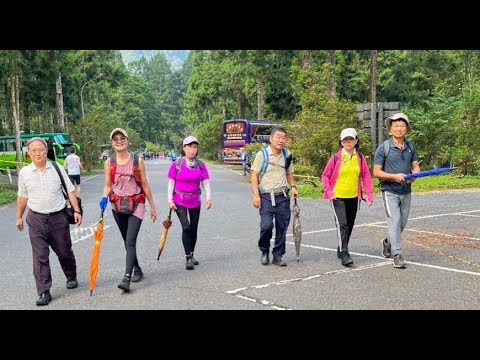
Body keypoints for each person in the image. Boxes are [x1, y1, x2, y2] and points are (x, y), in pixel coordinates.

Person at [16, 137, 82, 306]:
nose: (38, 153)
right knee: (40, 256)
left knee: (64, 251)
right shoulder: (24, 173)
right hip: (36, 218)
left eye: (41, 149)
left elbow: (70, 190)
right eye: (34, 150)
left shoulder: (57, 167)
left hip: (58, 217)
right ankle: (44, 291)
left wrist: (76, 210)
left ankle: (71, 275)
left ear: (46, 151)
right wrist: (19, 216)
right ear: (28, 154)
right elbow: (22, 196)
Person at [99, 128, 158, 293]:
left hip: (136, 203)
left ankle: (126, 277)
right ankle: (137, 268)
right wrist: (104, 198)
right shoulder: (109, 162)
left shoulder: (137, 160)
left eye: (122, 138)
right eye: (115, 139)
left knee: (130, 240)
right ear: (112, 143)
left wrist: (152, 206)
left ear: (127, 140)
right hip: (117, 205)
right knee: (127, 240)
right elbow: (107, 184)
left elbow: (145, 184)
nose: (119, 141)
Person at [373, 112, 420, 269]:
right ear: (390, 129)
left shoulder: (411, 146)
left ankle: (388, 242)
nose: (399, 129)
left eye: (402, 126)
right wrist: (394, 176)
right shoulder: (383, 148)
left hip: (406, 190)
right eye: (396, 126)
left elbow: (415, 166)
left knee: (401, 223)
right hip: (389, 191)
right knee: (394, 221)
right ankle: (397, 254)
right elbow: (377, 172)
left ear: (406, 129)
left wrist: (414, 176)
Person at [321, 128, 374, 266]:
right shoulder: (336, 158)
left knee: (349, 225)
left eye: (351, 139)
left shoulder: (360, 158)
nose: (348, 142)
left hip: (353, 197)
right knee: (342, 224)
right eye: (345, 139)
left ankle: (341, 248)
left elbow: (366, 176)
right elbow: (325, 176)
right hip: (337, 196)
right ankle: (344, 252)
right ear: (341, 142)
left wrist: (369, 193)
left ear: (356, 141)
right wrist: (329, 192)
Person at [250, 126, 298, 266]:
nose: (281, 140)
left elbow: (289, 173)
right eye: (278, 137)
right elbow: (254, 175)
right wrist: (255, 195)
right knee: (266, 226)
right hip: (265, 196)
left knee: (282, 227)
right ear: (271, 138)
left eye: (283, 137)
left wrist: (293, 186)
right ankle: (264, 250)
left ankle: (278, 255)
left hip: (282, 196)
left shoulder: (286, 154)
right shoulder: (262, 154)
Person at [167, 136, 212, 270]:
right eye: (189, 147)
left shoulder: (200, 165)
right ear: (184, 148)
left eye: (194, 147)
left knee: (193, 228)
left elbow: (206, 182)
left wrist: (208, 197)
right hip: (179, 201)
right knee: (186, 227)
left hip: (195, 200)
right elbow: (171, 183)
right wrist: (169, 200)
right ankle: (188, 257)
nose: (192, 150)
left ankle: (192, 253)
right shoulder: (176, 164)